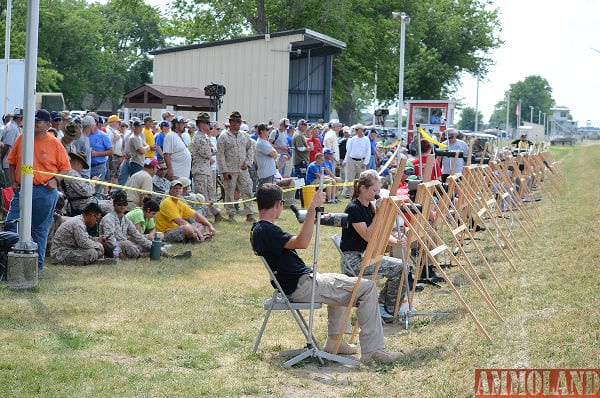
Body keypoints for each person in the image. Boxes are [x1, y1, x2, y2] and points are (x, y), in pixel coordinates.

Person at [250, 183, 404, 363]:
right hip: (302, 285)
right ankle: (373, 352)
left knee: (345, 281)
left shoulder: (259, 229)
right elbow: (302, 242)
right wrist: (311, 212)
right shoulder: (266, 230)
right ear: (279, 204)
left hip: (300, 282)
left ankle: (335, 342)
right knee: (367, 287)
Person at [5, 109, 71, 271]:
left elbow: (65, 168)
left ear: (48, 125)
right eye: (33, 120)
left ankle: (36, 266)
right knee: (12, 224)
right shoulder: (22, 139)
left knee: (39, 229)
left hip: (45, 192)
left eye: (39, 121)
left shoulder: (54, 142)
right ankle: (10, 264)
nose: (35, 123)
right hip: (22, 189)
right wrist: (13, 181)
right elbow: (12, 162)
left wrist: (55, 180)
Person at [339, 171, 409, 320]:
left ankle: (384, 305)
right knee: (401, 268)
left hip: (366, 256)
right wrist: (378, 213)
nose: (377, 194)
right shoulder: (353, 208)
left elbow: (379, 233)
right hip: (353, 260)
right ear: (363, 188)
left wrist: (396, 241)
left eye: (378, 191)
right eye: (374, 190)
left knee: (404, 266)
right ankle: (389, 310)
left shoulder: (368, 207)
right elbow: (369, 236)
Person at [217, 111, 257, 222]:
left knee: (247, 189)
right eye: (233, 121)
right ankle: (231, 215)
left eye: (238, 122)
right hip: (229, 169)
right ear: (230, 122)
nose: (236, 124)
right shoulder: (223, 137)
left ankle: (249, 214)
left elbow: (250, 149)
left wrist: (248, 162)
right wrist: (224, 171)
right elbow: (220, 155)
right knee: (229, 192)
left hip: (243, 169)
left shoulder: (244, 136)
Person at [99, 191, 152, 259]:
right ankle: (140, 255)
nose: (122, 206)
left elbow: (136, 235)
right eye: (119, 204)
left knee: (142, 244)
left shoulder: (125, 219)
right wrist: (119, 252)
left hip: (123, 245)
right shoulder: (108, 218)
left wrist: (153, 246)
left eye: (125, 204)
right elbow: (109, 239)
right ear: (114, 204)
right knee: (126, 244)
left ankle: (150, 252)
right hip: (111, 248)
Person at [191, 112, 224, 223]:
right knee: (201, 195)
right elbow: (207, 153)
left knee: (210, 193)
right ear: (200, 124)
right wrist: (211, 149)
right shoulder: (198, 138)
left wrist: (211, 149)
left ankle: (216, 214)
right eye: (206, 123)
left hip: (206, 169)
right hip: (200, 170)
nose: (208, 126)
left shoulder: (204, 137)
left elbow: (214, 150)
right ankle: (202, 218)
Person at [63, 151, 112, 216]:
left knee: (112, 203)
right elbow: (87, 191)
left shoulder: (72, 174)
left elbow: (83, 189)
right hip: (83, 205)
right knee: (113, 207)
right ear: (78, 163)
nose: (82, 169)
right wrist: (93, 182)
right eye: (82, 166)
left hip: (86, 202)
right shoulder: (72, 175)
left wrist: (90, 182)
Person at [341, 124, 370, 198]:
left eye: (359, 130)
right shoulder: (352, 139)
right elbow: (349, 151)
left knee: (361, 178)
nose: (357, 131)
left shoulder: (366, 139)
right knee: (350, 178)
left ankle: (359, 194)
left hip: (361, 161)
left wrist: (365, 162)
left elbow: (368, 151)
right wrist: (345, 161)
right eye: (356, 130)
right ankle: (350, 194)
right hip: (352, 160)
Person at [163, 116, 192, 180]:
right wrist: (170, 170)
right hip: (176, 173)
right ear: (176, 124)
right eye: (183, 124)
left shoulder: (180, 136)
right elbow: (166, 154)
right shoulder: (170, 136)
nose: (184, 125)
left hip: (184, 174)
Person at [254, 123, 278, 187]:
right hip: (265, 174)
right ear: (262, 131)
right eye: (267, 130)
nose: (268, 131)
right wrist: (274, 154)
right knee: (264, 193)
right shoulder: (261, 143)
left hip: (269, 173)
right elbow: (275, 155)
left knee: (267, 193)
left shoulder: (265, 142)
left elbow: (275, 154)